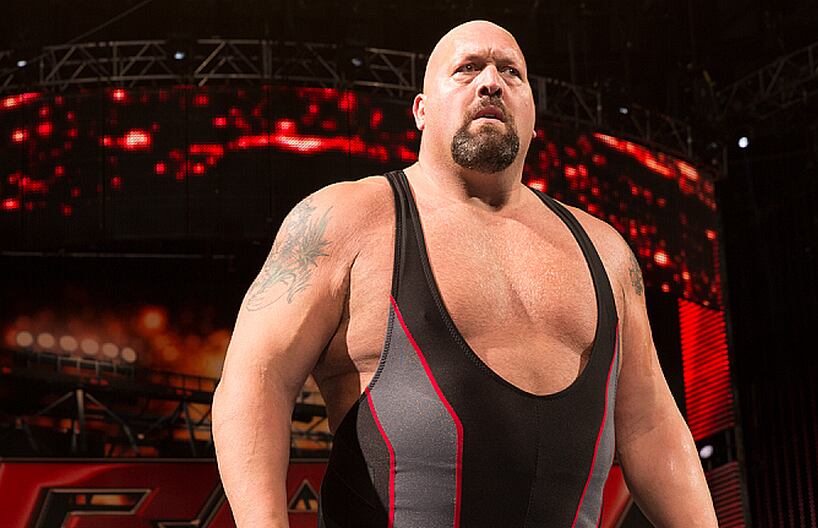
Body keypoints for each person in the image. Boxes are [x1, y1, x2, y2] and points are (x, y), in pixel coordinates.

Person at [212, 19, 718, 528]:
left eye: (511, 72)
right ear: (421, 110)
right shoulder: (345, 219)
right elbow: (257, 380)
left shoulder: (607, 252)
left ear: (534, 119)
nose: (491, 82)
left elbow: (650, 426)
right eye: (467, 68)